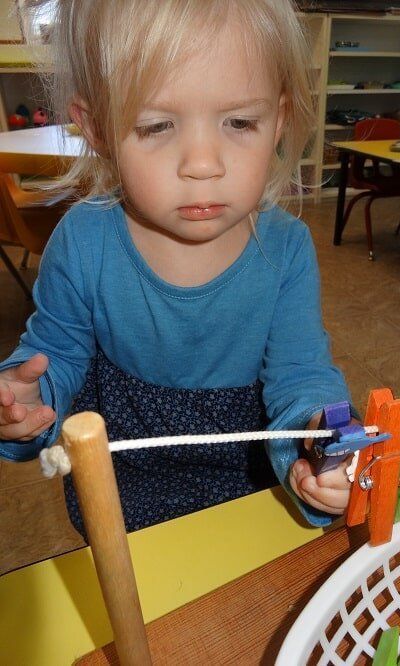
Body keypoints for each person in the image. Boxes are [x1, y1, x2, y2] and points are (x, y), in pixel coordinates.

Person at [0, 0, 355, 536]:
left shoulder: (286, 249)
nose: (204, 164)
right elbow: (56, 358)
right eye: (157, 125)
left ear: (279, 120)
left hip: (251, 483)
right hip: (125, 489)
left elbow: (302, 374)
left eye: (239, 121)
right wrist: (26, 404)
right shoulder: (82, 241)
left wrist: (318, 440)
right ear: (96, 128)